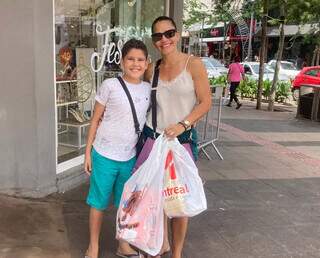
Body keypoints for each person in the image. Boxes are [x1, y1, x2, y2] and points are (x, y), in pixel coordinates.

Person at [142, 16, 212, 258]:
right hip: (155, 141)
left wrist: (184, 124)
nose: (164, 40)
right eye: (158, 36)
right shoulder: (151, 69)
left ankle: (177, 253)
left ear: (178, 34)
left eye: (168, 33)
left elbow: (205, 102)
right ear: (154, 41)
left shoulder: (193, 64)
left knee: (179, 200)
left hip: (182, 143)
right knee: (157, 197)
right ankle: (162, 244)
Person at [84, 39, 151, 258]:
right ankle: (93, 245)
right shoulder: (110, 86)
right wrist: (87, 153)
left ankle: (123, 244)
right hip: (103, 154)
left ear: (147, 63)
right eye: (130, 59)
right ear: (122, 62)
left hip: (130, 157)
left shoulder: (148, 89)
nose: (135, 63)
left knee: (127, 205)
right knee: (98, 202)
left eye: (140, 59)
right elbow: (95, 120)